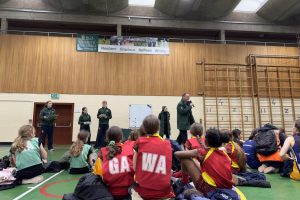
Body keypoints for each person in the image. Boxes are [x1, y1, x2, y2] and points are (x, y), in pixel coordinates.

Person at [175, 128, 233, 196]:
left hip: (210, 190)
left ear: (205, 141)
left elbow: (177, 154)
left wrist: (193, 156)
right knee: (199, 161)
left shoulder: (202, 151)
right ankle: (182, 179)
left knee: (185, 158)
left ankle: (184, 183)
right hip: (227, 189)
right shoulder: (224, 152)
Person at [133, 115, 175, 199]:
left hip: (144, 192)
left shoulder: (140, 142)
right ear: (158, 128)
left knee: (131, 189)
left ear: (143, 129)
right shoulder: (167, 143)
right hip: (164, 193)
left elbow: (134, 168)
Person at [100, 126, 135, 199]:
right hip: (128, 192)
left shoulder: (102, 152)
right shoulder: (130, 149)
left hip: (110, 192)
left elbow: (100, 175)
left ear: (107, 138)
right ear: (121, 137)